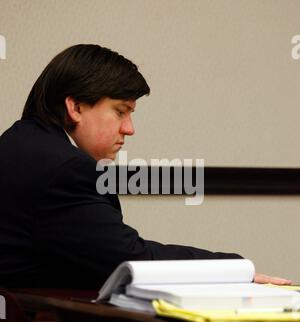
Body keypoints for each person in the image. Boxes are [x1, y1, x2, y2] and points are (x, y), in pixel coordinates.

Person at [0, 44, 291, 288]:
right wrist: (235, 269)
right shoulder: (64, 170)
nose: (129, 129)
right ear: (75, 107)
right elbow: (131, 260)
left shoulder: (17, 144)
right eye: (120, 111)